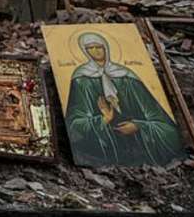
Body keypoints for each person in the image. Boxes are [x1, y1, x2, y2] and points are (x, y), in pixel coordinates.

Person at [65, 32, 186, 167]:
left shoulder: (127, 76)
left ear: (106, 48)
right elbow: (74, 124)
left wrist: (139, 126)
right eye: (90, 48)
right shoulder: (81, 79)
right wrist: (104, 119)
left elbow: (160, 120)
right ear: (84, 51)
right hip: (107, 144)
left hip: (139, 142)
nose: (95, 51)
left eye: (98, 47)